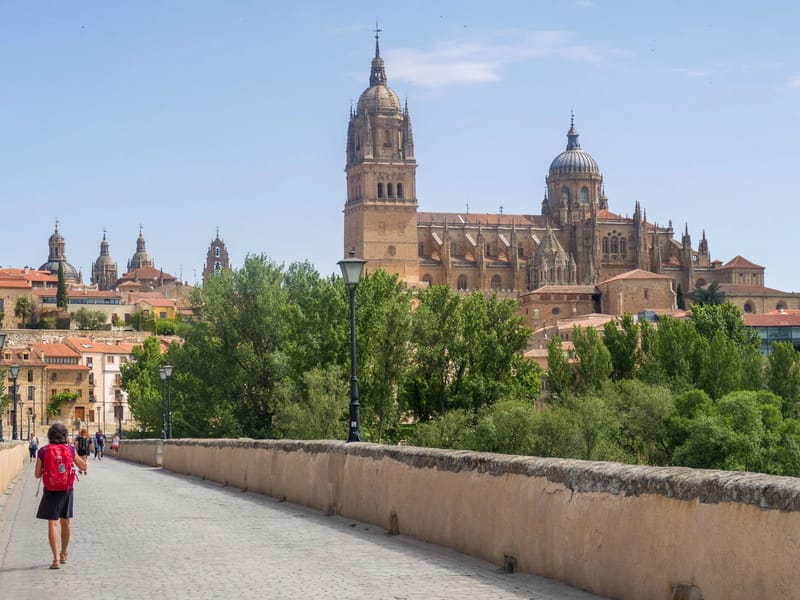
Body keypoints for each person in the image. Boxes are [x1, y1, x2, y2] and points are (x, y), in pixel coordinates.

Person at [35, 422, 87, 569]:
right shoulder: (69, 449)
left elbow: (37, 474)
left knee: (52, 523)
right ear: (65, 435)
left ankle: (56, 559)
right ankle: (64, 553)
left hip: (50, 490)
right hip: (66, 489)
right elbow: (83, 466)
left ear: (50, 435)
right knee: (66, 522)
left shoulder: (43, 451)